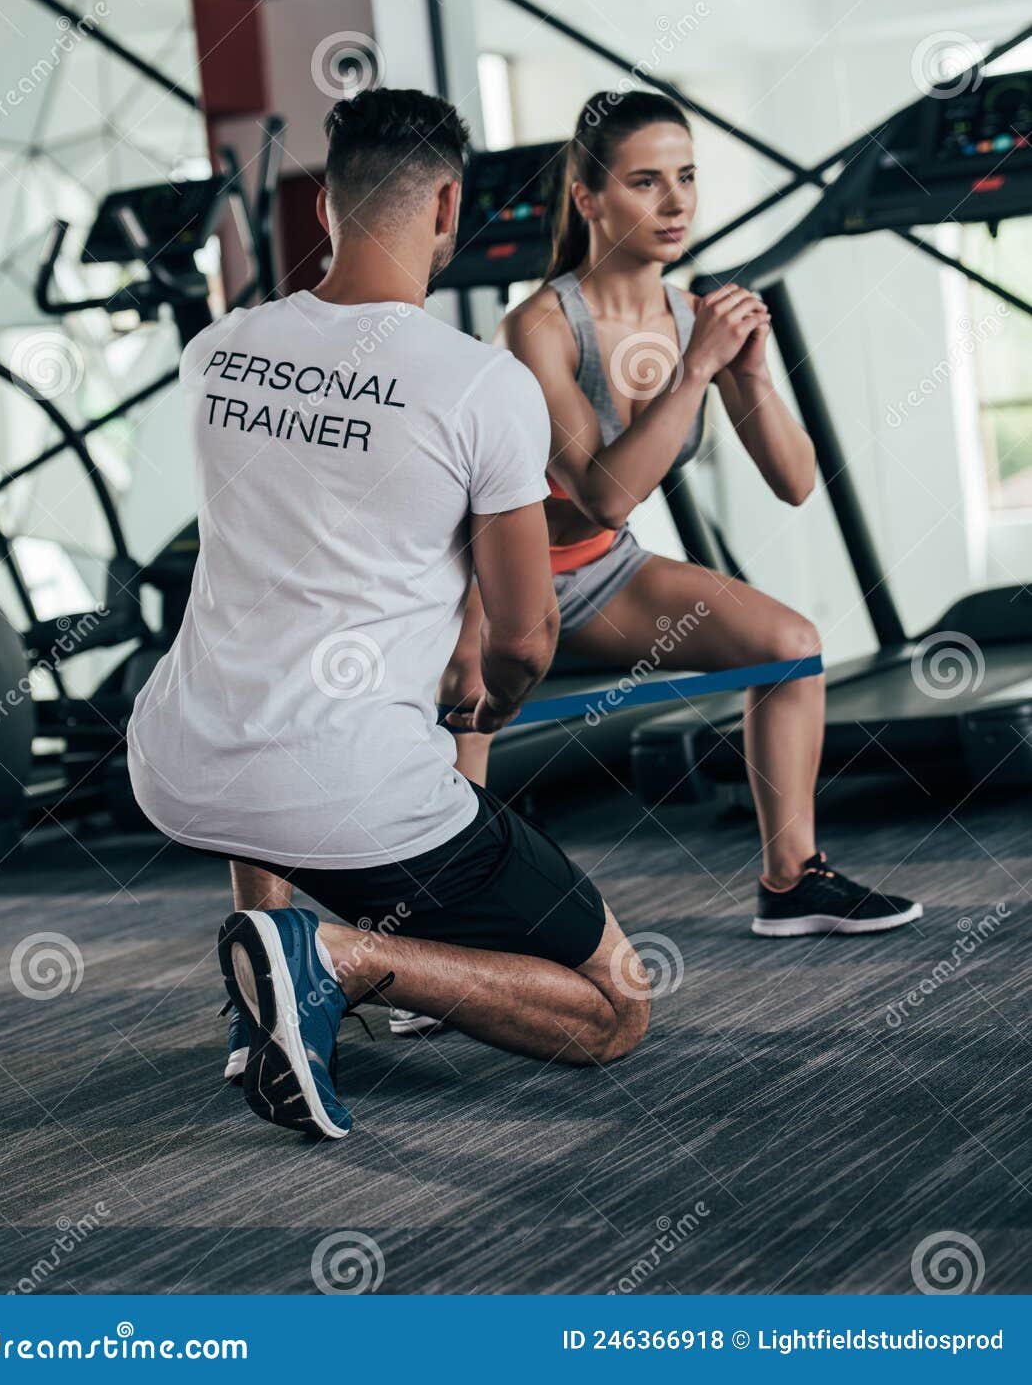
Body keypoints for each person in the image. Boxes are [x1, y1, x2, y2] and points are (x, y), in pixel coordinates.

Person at [126, 88, 650, 1140]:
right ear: (449, 205)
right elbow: (526, 634)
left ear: (325, 206)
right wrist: (482, 709)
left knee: (279, 680)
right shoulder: (481, 384)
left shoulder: (215, 353)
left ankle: (262, 986)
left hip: (177, 765)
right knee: (617, 1004)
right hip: (349, 799)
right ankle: (336, 960)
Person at [427, 89, 922, 992]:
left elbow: (796, 482)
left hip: (599, 571)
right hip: (493, 582)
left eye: (687, 178)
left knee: (791, 648)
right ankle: (447, 953)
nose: (677, 202)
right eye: (646, 182)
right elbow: (604, 488)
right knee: (466, 734)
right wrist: (695, 369)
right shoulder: (540, 324)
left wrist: (752, 375)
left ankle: (791, 880)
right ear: (588, 198)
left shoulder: (696, 312)